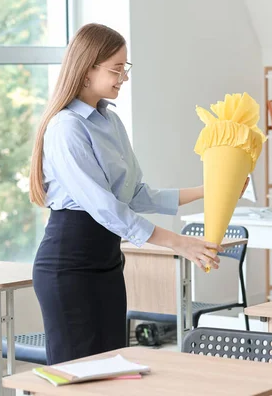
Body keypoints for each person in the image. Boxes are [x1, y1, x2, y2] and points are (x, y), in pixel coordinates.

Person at [29, 23, 240, 364]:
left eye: (124, 68)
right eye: (115, 69)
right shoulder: (65, 128)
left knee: (112, 370)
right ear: (86, 69)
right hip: (68, 268)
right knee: (77, 377)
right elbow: (105, 208)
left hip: (107, 263)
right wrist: (178, 242)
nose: (123, 77)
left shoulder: (110, 122)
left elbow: (137, 194)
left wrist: (210, 190)